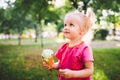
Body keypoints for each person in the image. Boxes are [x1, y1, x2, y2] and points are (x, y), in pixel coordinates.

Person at [43, 10, 95, 80]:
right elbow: (60, 64)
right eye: (65, 24)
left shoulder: (85, 48)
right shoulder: (63, 47)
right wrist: (52, 65)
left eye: (71, 25)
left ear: (82, 31)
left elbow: (89, 70)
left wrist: (73, 74)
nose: (66, 27)